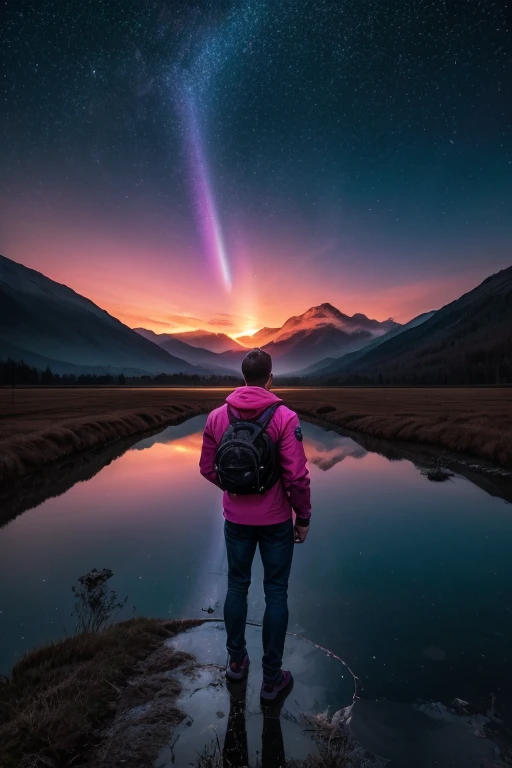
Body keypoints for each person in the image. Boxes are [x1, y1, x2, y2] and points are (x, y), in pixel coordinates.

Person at [199, 348, 311, 704]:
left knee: (237, 586)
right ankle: (272, 679)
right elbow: (297, 477)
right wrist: (303, 517)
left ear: (243, 377)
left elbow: (206, 467)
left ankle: (236, 662)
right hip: (277, 520)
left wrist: (234, 490)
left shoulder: (218, 416)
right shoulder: (285, 416)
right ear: (270, 377)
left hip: (235, 520)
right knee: (276, 592)